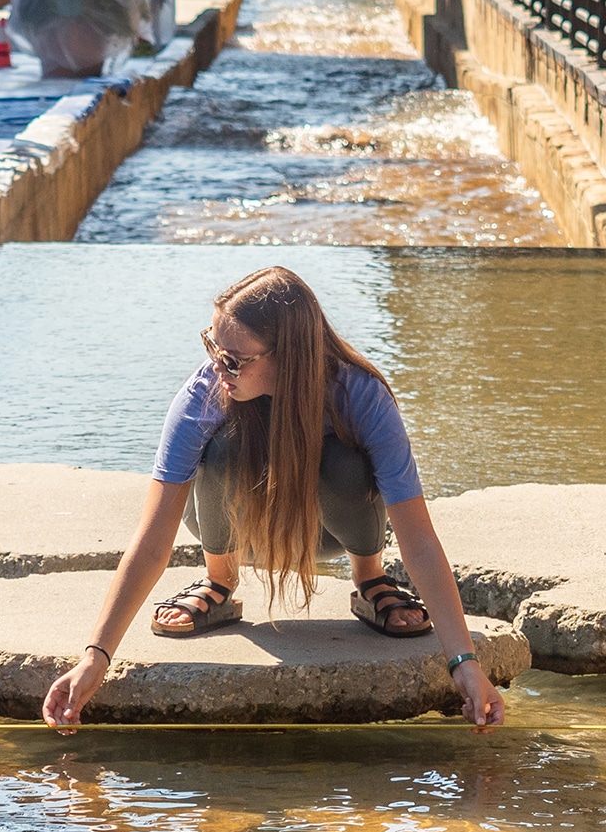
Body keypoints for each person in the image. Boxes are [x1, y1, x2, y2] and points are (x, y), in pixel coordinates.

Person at [41, 266, 507, 731]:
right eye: (213, 348)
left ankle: (369, 579)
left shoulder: (361, 395)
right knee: (222, 452)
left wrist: (463, 661)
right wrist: (95, 656)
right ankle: (219, 581)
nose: (218, 369)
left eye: (235, 360)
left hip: (329, 530)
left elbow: (419, 539)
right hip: (231, 527)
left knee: (344, 463)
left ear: (289, 357)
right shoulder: (204, 394)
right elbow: (153, 536)